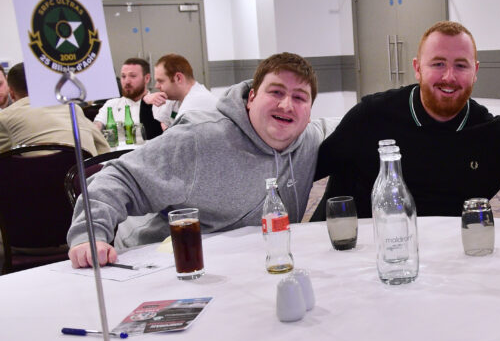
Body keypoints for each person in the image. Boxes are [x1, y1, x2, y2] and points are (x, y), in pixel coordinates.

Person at [67, 52, 322, 266]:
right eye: (276, 92)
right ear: (252, 98)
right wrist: (90, 235)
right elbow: (119, 177)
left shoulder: (308, 140)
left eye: (299, 97)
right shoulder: (200, 138)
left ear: (309, 112)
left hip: (244, 266)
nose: (287, 105)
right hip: (161, 263)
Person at [314, 20, 500, 219]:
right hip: (370, 251)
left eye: (461, 65)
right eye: (438, 64)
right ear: (417, 68)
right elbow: (308, 169)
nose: (449, 77)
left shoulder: (491, 134)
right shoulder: (371, 117)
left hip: (451, 253)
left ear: (475, 71)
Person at [0, 63, 110, 155]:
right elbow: (103, 147)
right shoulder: (73, 108)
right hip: (84, 177)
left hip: (38, 178)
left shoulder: (5, 118)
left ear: (11, 93)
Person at [92, 58, 162, 141]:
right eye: (123, 76)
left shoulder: (159, 103)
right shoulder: (111, 104)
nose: (127, 81)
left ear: (146, 78)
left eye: (132, 76)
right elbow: (96, 127)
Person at [150, 54, 217, 129]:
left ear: (178, 78)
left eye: (161, 81)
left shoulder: (194, 105)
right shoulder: (179, 98)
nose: (156, 86)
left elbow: (174, 138)